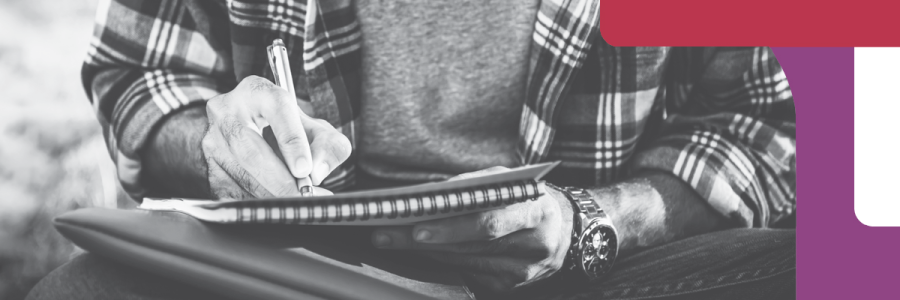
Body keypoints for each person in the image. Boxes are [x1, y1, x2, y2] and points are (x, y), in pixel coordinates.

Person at [28, 0, 796, 299]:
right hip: (299, 261)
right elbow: (139, 71)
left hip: (592, 265)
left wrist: (590, 222)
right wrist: (214, 142)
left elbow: (770, 122)